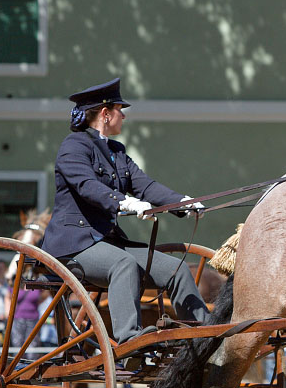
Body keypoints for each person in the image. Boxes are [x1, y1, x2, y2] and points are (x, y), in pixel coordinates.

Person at [39, 77, 210, 343]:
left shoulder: (116, 151)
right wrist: (123, 201)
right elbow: (86, 185)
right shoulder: (73, 146)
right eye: (121, 110)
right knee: (124, 264)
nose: (124, 117)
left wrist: (181, 202)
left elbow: (145, 185)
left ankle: (206, 336)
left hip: (107, 242)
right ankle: (129, 338)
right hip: (73, 244)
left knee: (176, 269)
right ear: (106, 114)